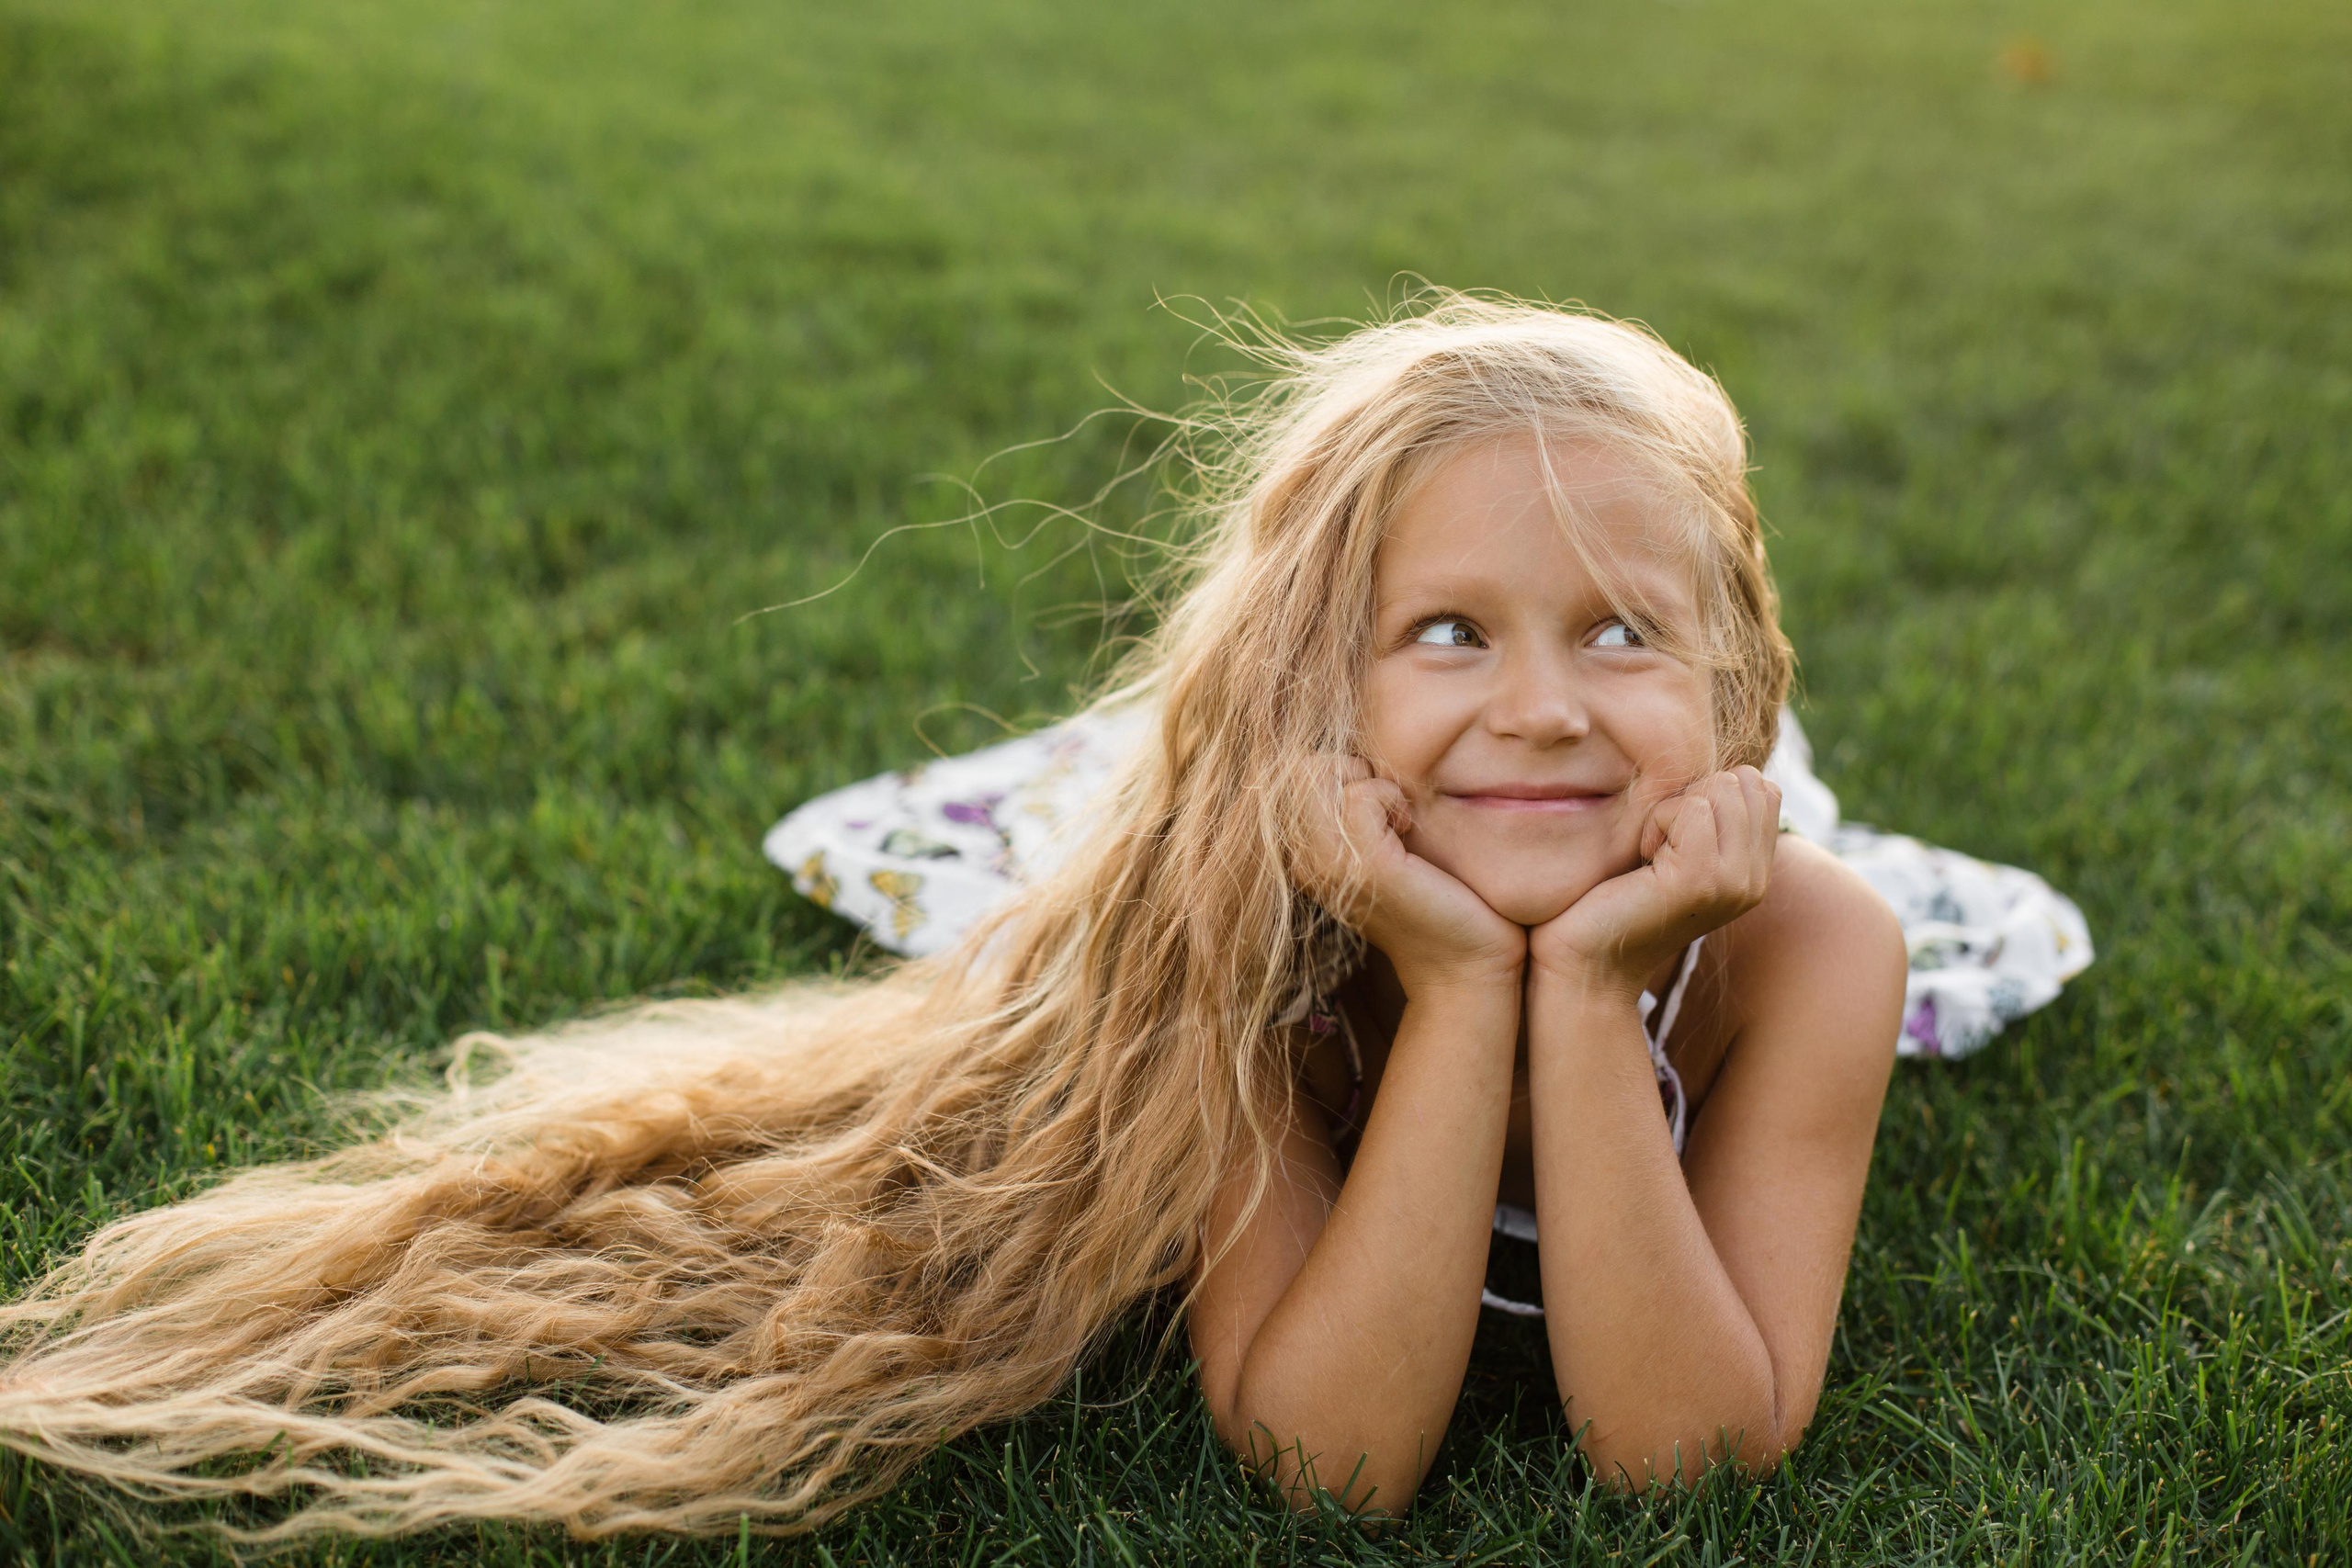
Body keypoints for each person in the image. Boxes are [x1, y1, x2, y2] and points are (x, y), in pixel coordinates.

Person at [0, 295, 2090, 1539]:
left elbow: (1688, 1457)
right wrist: (1462, 981)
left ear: (1737, 688)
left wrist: (1595, 984)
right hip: (1313, 860)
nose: (1541, 703)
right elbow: (1332, 1461)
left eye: (1622, 631)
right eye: (1447, 629)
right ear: (1320, 684)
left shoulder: (1809, 948)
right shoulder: (1238, 936)